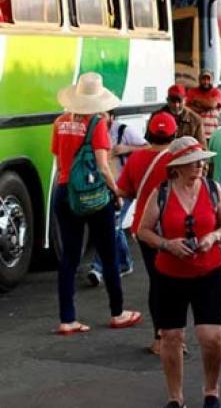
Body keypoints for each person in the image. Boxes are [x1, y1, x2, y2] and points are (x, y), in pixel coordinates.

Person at [137, 137, 221, 408]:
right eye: (194, 162)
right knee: (171, 337)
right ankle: (175, 397)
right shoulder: (162, 192)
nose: (201, 166)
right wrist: (167, 244)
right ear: (178, 167)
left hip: (209, 271)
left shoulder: (213, 189)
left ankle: (211, 390)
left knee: (211, 337)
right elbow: (142, 231)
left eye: (202, 160)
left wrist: (212, 237)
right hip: (169, 275)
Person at [52, 72, 142, 335]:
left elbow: (60, 163)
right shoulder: (97, 125)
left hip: (65, 193)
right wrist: (115, 192)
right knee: (108, 254)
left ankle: (67, 319)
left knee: (69, 257)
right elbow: (104, 167)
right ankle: (118, 313)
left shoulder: (59, 122)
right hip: (94, 196)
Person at [118, 111, 178, 355]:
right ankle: (176, 338)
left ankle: (159, 338)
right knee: (176, 284)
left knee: (157, 282)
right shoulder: (179, 158)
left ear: (148, 133)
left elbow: (124, 191)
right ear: (174, 134)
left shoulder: (136, 159)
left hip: (145, 230)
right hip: (175, 228)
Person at [86, 110, 148, 286]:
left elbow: (147, 147)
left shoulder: (123, 131)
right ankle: (125, 263)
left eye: (103, 115)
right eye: (96, 114)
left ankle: (97, 269)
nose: (99, 118)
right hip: (104, 186)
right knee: (116, 226)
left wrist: (126, 149)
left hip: (124, 186)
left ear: (111, 117)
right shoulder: (93, 131)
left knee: (111, 226)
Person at [186, 69, 221, 144]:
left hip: (212, 136)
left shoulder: (217, 92)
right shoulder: (192, 91)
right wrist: (206, 106)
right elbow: (187, 109)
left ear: (212, 80)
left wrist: (196, 100)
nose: (206, 82)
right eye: (203, 79)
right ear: (199, 80)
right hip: (195, 134)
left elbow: (212, 104)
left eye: (208, 79)